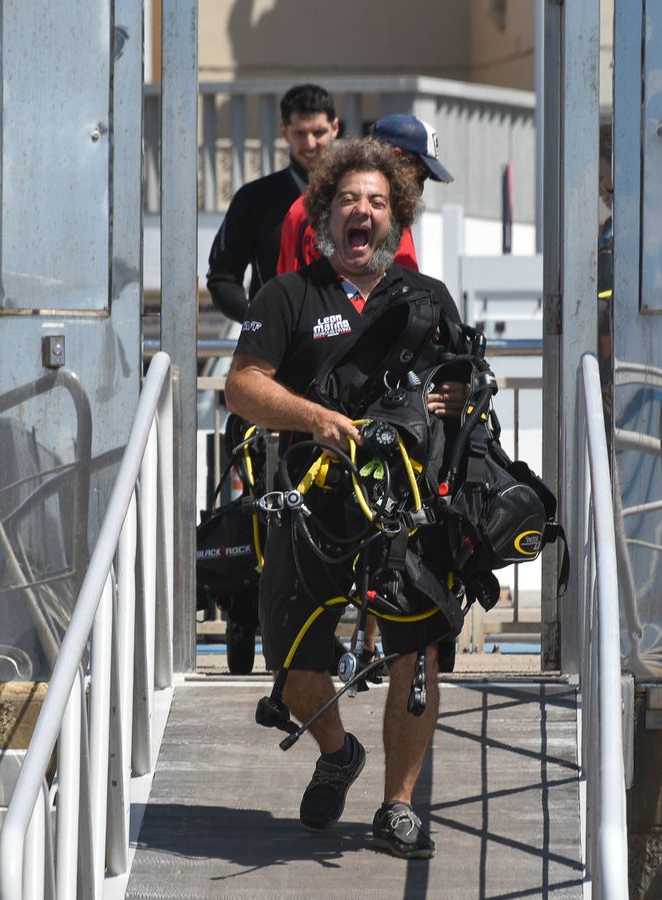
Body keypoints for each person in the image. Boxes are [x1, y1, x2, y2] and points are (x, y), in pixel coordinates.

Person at [225, 138, 469, 860]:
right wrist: (316, 418)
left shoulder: (427, 299)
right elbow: (242, 386)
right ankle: (337, 751)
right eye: (348, 200)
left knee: (414, 656)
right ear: (325, 213)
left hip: (407, 514)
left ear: (396, 218)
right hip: (309, 512)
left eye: (377, 201)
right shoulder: (287, 295)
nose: (362, 212)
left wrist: (457, 397)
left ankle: (398, 806)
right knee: (297, 673)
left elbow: (468, 393)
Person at [205, 84, 340, 322]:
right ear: (284, 131)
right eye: (300, 133)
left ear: (335, 128)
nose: (309, 144)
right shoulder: (254, 198)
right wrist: (259, 323)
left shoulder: (358, 196)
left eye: (318, 132)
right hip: (275, 350)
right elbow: (222, 278)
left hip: (346, 345)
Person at [274, 113, 452, 275]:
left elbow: (283, 286)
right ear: (396, 157)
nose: (419, 191)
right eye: (420, 177)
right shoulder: (387, 218)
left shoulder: (300, 206)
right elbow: (407, 292)